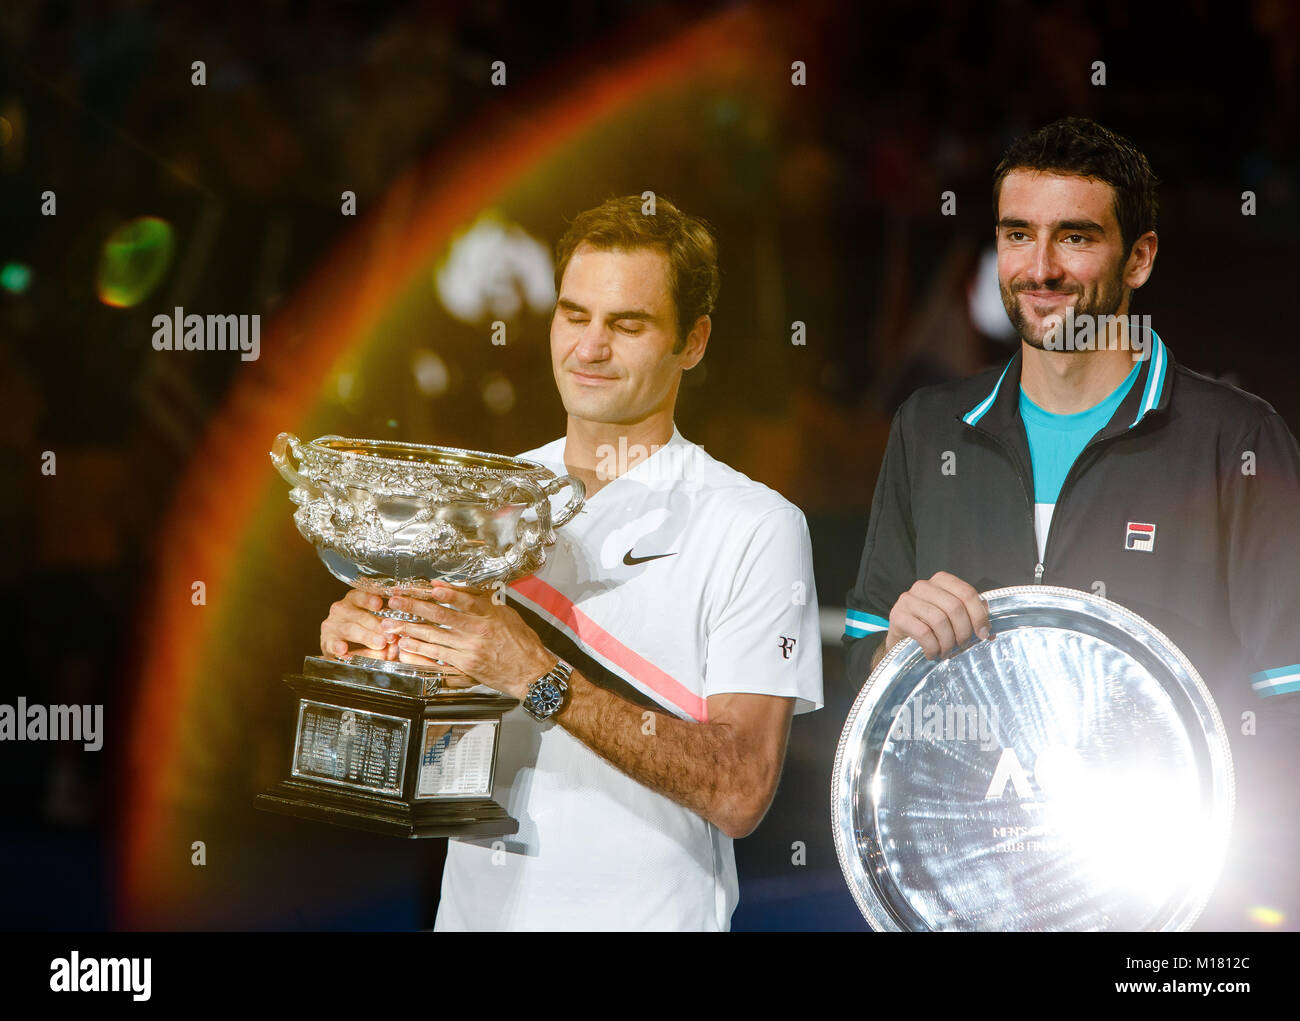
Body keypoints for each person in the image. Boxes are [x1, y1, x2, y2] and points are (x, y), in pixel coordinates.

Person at [843, 117, 1300, 928]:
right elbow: (863, 675)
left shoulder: (1234, 436)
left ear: (1140, 257)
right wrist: (890, 649)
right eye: (1018, 234)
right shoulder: (930, 427)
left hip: (1181, 916)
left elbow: (1289, 705)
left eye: (1075, 237)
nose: (1040, 268)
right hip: (972, 899)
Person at [321, 195, 824, 930]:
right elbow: (418, 764)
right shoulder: (475, 501)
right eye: (573, 314)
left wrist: (535, 675)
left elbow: (740, 790)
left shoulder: (754, 526)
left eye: (627, 324)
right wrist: (373, 658)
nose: (588, 347)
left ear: (694, 341)